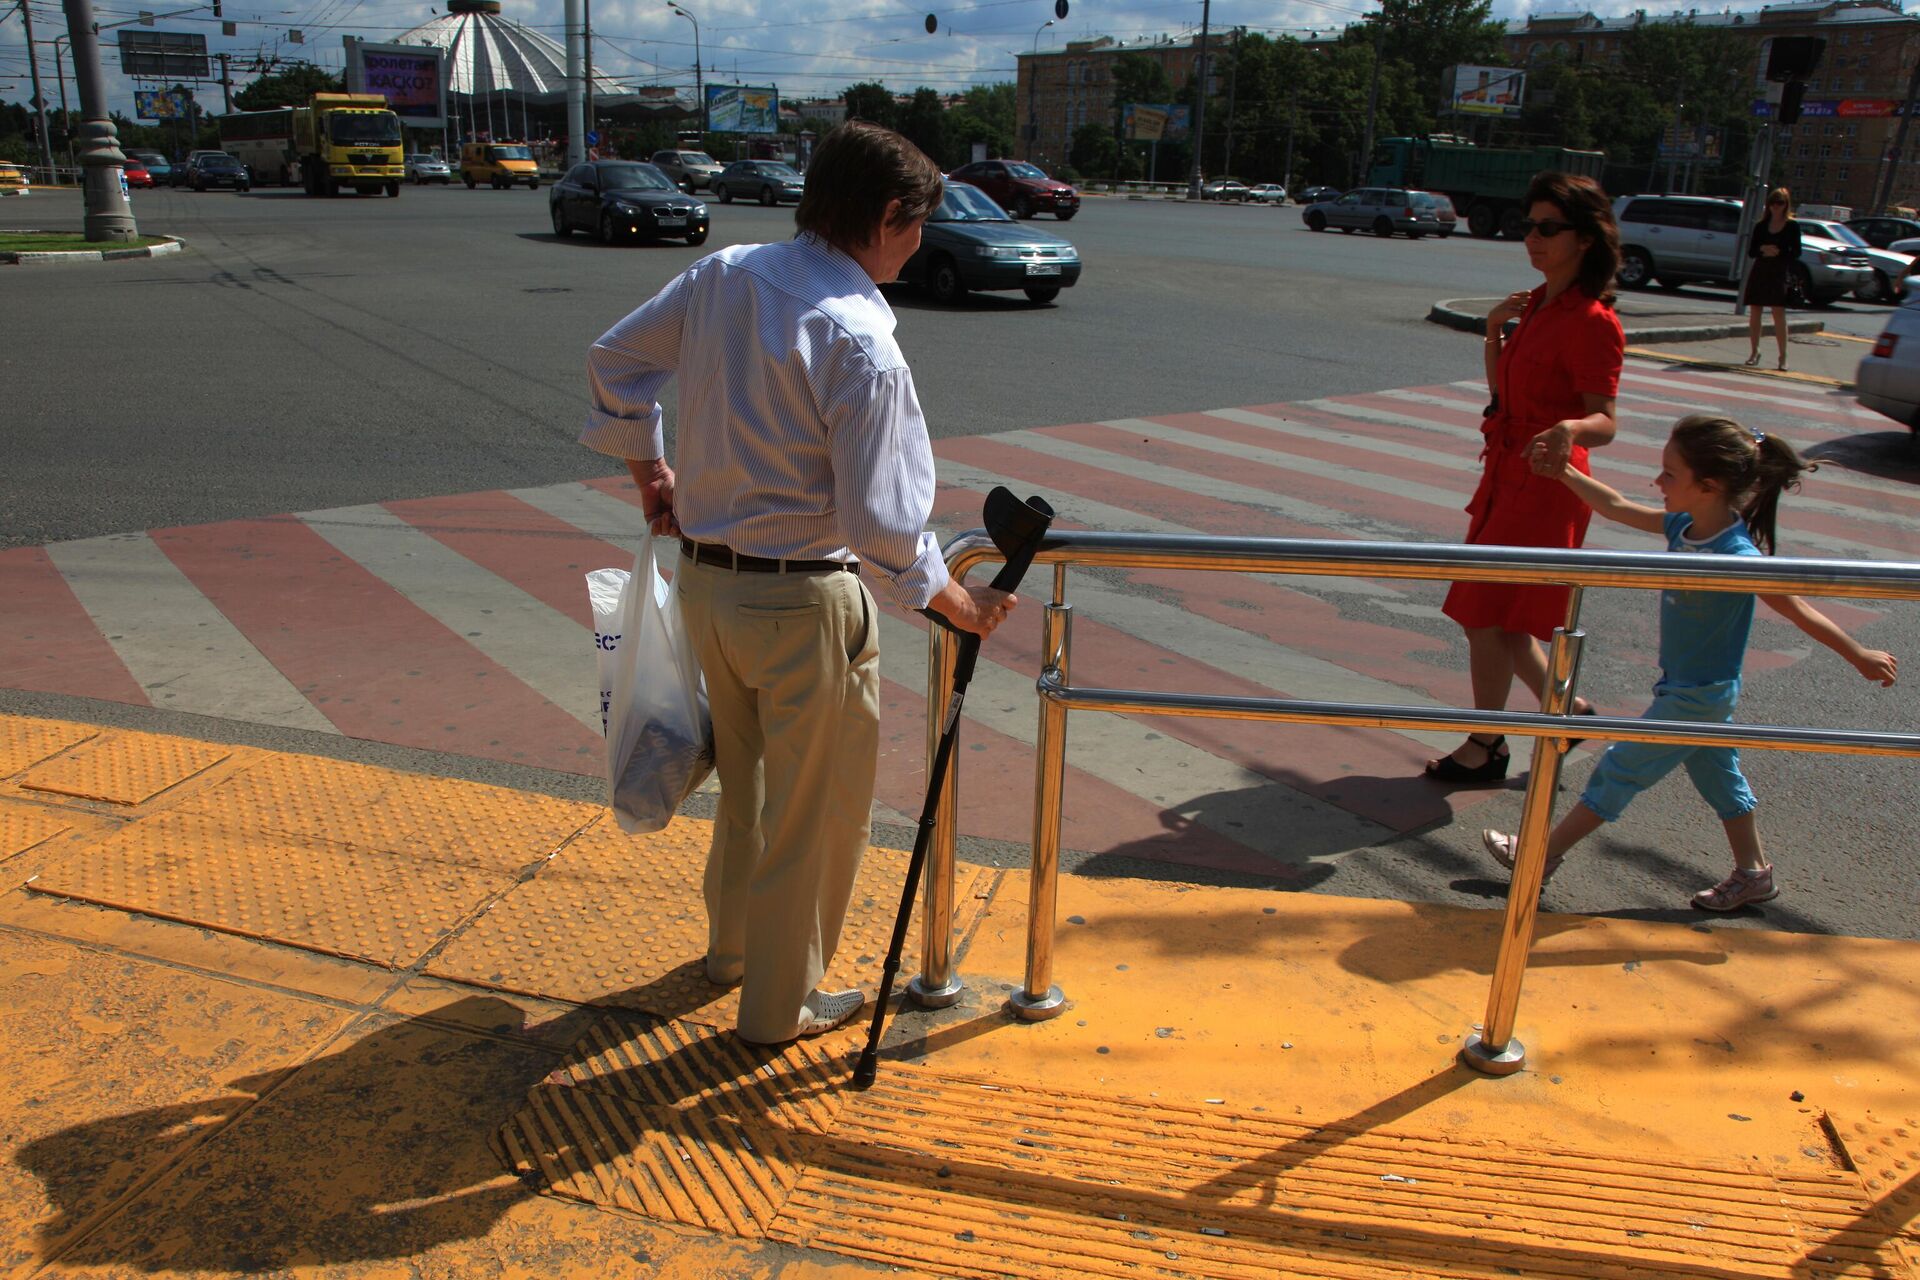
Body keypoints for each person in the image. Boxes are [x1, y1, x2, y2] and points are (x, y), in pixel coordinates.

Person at [579, 121, 1018, 1044]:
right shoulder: (861, 341)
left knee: (745, 790)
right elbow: (881, 527)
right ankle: (779, 1007)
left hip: (707, 588)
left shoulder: (725, 275)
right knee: (812, 819)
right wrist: (961, 607)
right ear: (888, 215)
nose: (917, 247)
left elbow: (616, 363)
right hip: (804, 603)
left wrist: (650, 473)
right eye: (915, 228)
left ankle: (734, 954)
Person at [1483, 414, 1897, 911]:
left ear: (1709, 485)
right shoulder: (1684, 526)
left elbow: (1796, 608)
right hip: (1691, 688)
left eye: (1669, 474)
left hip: (1698, 695)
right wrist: (1565, 473)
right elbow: (1616, 506)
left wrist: (1858, 654)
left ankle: (1539, 856)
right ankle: (1753, 873)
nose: (1657, 482)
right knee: (1721, 779)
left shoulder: (1735, 557)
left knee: (1619, 771)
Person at [1426, 172, 1625, 784]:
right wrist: (1492, 332)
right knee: (1502, 619)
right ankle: (1567, 714)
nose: (1531, 239)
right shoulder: (1534, 304)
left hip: (1547, 482)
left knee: (1486, 613)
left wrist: (1569, 427)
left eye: (1547, 228)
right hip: (1507, 472)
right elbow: (1501, 391)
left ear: (1585, 238)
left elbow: (1607, 420)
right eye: (1528, 226)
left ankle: (1486, 745)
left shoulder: (1593, 320)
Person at [1743, 187, 1800, 372]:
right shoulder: (1761, 225)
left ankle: (1783, 356)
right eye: (1773, 202)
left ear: (1786, 205)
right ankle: (1754, 351)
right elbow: (1751, 251)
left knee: (1778, 313)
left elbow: (1797, 252)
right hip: (1761, 269)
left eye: (1780, 203)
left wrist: (1779, 252)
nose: (1776, 206)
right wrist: (1763, 250)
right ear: (1768, 205)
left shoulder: (1792, 226)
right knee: (1755, 311)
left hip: (1779, 270)